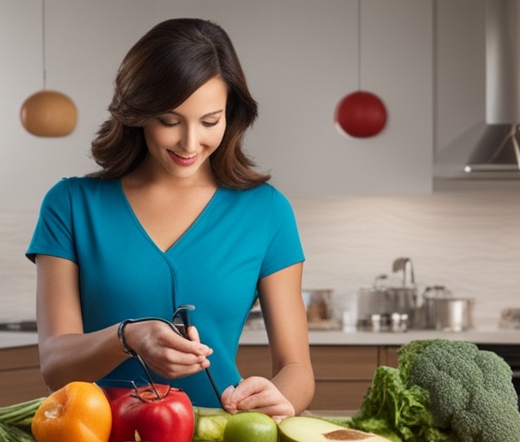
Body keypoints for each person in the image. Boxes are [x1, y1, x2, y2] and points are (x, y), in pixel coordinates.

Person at [26, 18, 314, 418]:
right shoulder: (71, 205)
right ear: (138, 112)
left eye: (210, 121)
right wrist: (129, 337)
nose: (190, 143)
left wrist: (278, 397)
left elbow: (296, 369)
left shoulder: (267, 211)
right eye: (169, 121)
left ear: (231, 114)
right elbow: (55, 366)